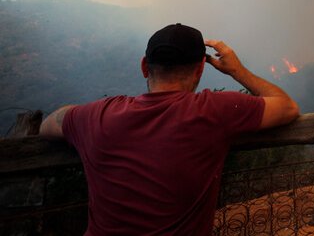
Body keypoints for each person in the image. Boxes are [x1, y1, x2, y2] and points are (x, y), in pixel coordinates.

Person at [39, 23, 300, 235]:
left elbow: (48, 125)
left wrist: (81, 112)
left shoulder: (97, 116)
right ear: (200, 69)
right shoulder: (213, 111)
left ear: (144, 67)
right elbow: (287, 107)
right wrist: (237, 71)